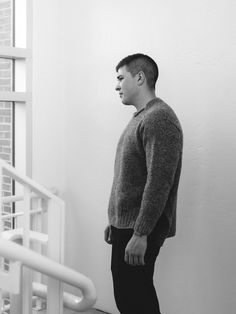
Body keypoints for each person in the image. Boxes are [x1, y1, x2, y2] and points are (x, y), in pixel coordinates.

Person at [104, 53, 183, 314]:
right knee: (128, 296)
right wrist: (114, 219)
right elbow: (130, 176)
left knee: (136, 300)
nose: (116, 85)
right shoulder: (141, 117)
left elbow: (159, 182)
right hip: (126, 226)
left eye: (120, 78)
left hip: (139, 228)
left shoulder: (159, 118)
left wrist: (141, 233)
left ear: (139, 77)